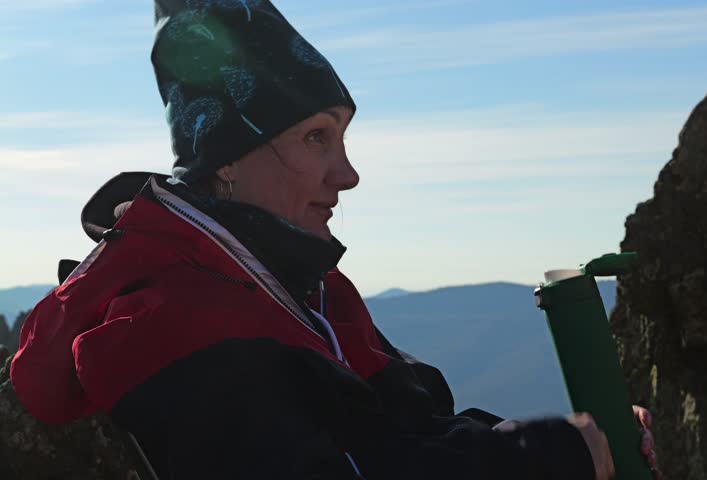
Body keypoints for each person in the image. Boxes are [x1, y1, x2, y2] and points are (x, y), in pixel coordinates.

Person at [11, 1, 660, 479]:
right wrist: (549, 457)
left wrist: (585, 442)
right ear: (225, 158)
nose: (348, 174)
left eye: (342, 138)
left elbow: (410, 433)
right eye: (316, 138)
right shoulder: (172, 317)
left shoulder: (305, 289)